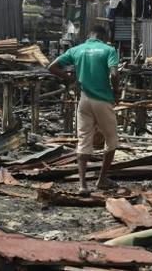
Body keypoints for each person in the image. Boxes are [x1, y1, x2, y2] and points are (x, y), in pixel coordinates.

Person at [48, 25, 120, 195]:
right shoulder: (109, 50)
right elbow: (115, 75)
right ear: (104, 36)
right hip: (103, 100)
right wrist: (116, 93)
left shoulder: (76, 50)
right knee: (111, 139)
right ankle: (102, 180)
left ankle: (82, 185)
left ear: (89, 35)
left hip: (84, 100)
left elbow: (52, 67)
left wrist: (71, 79)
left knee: (83, 140)